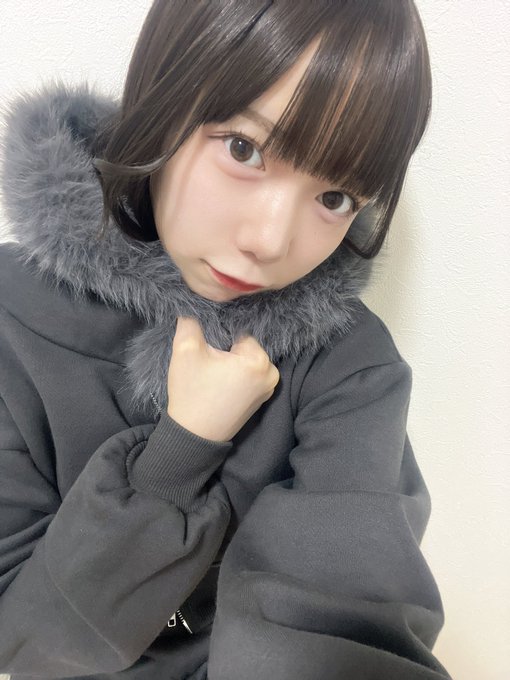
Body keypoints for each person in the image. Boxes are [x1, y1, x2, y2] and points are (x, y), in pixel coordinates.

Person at [0, 1, 453, 678]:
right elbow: (26, 639)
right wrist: (178, 454)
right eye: (244, 149)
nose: (270, 240)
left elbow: (348, 622)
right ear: (160, 100)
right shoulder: (13, 315)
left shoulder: (349, 364)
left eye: (335, 197)